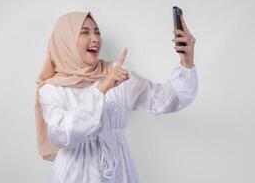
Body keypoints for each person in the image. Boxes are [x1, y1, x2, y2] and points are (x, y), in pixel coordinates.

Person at [34, 11, 198, 183]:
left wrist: (187, 62)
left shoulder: (116, 72)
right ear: (65, 41)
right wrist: (102, 88)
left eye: (97, 32)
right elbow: (62, 134)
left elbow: (161, 101)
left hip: (119, 173)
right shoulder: (51, 88)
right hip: (74, 176)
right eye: (85, 32)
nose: (95, 38)